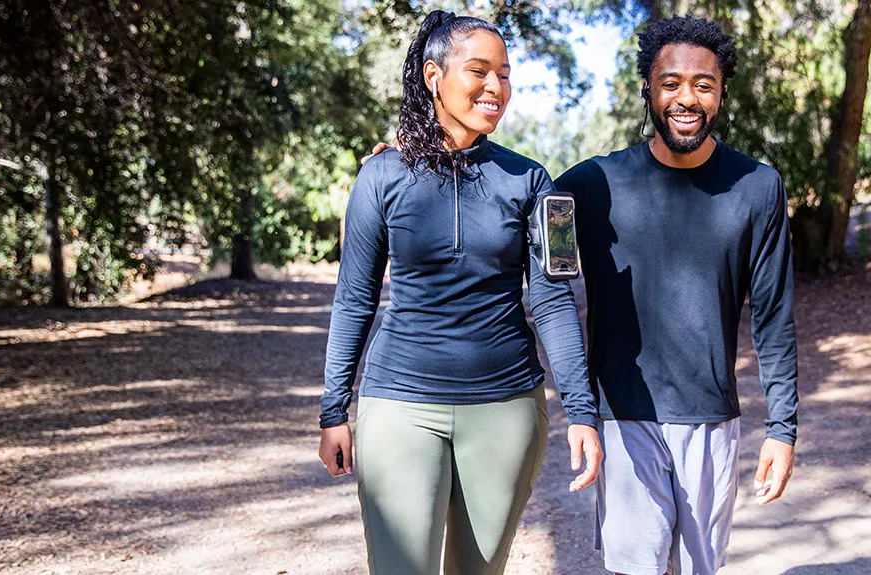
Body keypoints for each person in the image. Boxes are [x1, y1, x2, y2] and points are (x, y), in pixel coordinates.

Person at [316, 10, 602, 575]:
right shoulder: (380, 176)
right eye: (479, 71)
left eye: (505, 73)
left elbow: (552, 299)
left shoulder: (534, 182)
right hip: (398, 406)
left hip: (506, 412)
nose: (496, 87)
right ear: (433, 76)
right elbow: (355, 298)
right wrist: (333, 409)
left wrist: (583, 411)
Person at [554, 16, 799, 575]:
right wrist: (418, 157)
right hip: (622, 418)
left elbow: (774, 318)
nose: (686, 98)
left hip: (711, 420)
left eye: (703, 84)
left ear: (721, 92)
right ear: (647, 87)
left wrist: (782, 429)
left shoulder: (758, 187)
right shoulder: (585, 187)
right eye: (670, 83)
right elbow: (514, 212)